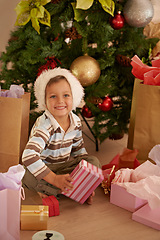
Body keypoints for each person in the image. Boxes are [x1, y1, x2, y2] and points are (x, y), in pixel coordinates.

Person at [22, 67, 101, 204]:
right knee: (26, 175)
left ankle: (72, 188)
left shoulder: (75, 121)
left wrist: (86, 177)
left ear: (74, 97)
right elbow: (28, 155)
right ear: (44, 101)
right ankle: (64, 189)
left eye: (66, 95)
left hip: (64, 166)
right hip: (47, 169)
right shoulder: (45, 126)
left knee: (94, 162)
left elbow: (79, 151)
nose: (60, 101)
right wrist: (53, 178)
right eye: (53, 96)